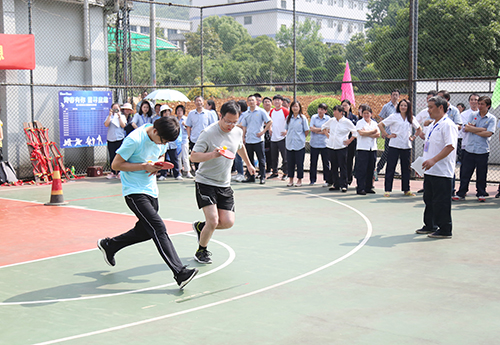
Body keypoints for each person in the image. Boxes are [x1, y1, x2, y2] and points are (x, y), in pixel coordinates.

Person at [97, 116, 198, 289]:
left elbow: (160, 152)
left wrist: (158, 164)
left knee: (145, 231)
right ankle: (179, 272)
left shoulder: (162, 137)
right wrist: (144, 166)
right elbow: (116, 164)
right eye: (163, 140)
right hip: (134, 192)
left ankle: (110, 245)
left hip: (151, 189)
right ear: (155, 131)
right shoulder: (134, 140)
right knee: (158, 227)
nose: (163, 144)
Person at [190, 101, 255, 264]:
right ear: (220, 116)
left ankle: (201, 227)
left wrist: (248, 164)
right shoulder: (208, 133)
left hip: (224, 184)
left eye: (234, 122)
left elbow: (240, 147)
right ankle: (201, 251)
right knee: (213, 220)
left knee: (227, 222)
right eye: (228, 121)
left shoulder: (237, 132)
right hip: (205, 182)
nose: (231, 125)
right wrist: (212, 155)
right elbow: (194, 156)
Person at [415, 96, 458, 239]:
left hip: (442, 171)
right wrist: (422, 164)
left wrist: (433, 160)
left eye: (431, 107)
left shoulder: (448, 125)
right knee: (429, 198)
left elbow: (450, 146)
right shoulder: (433, 124)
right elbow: (429, 147)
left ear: (441, 107)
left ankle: (445, 229)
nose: (428, 110)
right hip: (430, 170)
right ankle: (430, 224)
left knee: (441, 201)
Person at [453, 96, 496, 202]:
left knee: (481, 173)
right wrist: (481, 129)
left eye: (482, 104)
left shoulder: (492, 119)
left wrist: (474, 129)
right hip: (469, 149)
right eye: (479, 103)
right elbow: (466, 128)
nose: (479, 106)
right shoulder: (472, 115)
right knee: (465, 173)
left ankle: (481, 193)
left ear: (488, 106)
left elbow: (489, 133)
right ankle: (461, 193)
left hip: (482, 150)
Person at [378, 99, 422, 197]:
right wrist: (386, 134)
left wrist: (413, 137)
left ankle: (406, 189)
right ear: (399, 107)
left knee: (406, 168)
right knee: (391, 167)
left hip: (406, 146)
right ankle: (387, 190)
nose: (403, 107)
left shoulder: (411, 118)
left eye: (405, 105)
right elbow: (380, 124)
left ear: (408, 107)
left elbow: (419, 129)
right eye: (401, 105)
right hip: (394, 145)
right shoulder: (394, 116)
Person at [321, 105, 357, 192]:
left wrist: (349, 140)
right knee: (333, 166)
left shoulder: (347, 122)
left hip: (341, 147)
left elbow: (355, 132)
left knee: (343, 166)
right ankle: (335, 184)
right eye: (333, 111)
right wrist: (328, 135)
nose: (334, 113)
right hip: (331, 146)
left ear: (341, 113)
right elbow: (323, 127)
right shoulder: (332, 120)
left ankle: (344, 185)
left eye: (336, 111)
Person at [240, 95, 272, 184]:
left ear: (256, 102)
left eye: (252, 100)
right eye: (249, 100)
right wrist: (243, 137)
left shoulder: (261, 111)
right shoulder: (246, 113)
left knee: (261, 159)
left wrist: (263, 132)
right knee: (249, 160)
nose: (251, 102)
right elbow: (244, 126)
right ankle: (251, 176)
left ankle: (262, 176)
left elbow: (270, 121)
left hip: (259, 140)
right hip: (249, 139)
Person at [186, 96, 218, 172]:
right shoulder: (191, 113)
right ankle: (198, 172)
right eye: (197, 101)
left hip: (206, 140)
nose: (199, 103)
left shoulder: (209, 113)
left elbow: (213, 126)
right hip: (194, 139)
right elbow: (188, 126)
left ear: (203, 102)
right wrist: (189, 136)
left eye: (200, 101)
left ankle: (205, 173)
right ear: (194, 103)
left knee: (206, 157)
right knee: (196, 157)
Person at [284, 100, 309, 187]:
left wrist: (301, 138)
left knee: (299, 163)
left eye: (296, 106)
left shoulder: (302, 118)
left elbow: (306, 131)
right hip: (289, 144)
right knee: (290, 163)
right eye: (293, 106)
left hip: (299, 145)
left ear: (299, 108)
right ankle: (291, 179)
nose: (295, 108)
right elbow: (286, 129)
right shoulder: (288, 118)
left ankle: (299, 180)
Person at [355, 104, 380, 195]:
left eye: (368, 113)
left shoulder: (374, 123)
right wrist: (372, 132)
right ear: (362, 114)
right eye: (364, 113)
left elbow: (377, 134)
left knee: (371, 168)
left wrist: (368, 133)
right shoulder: (359, 123)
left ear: (371, 114)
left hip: (372, 149)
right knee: (362, 169)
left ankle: (368, 187)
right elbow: (361, 133)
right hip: (362, 148)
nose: (366, 115)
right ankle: (360, 187)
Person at [376, 89, 400, 179]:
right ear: (391, 96)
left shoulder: (400, 107)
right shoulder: (386, 106)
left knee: (395, 153)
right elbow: (381, 119)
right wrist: (383, 132)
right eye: (393, 95)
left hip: (397, 135)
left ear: (399, 96)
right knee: (386, 152)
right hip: (389, 134)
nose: (395, 97)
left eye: (396, 95)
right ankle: (378, 168)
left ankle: (392, 169)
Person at [157, 105, 183, 181]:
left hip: (172, 143)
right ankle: (163, 174)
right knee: (163, 159)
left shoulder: (173, 120)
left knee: (174, 159)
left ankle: (177, 174)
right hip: (163, 144)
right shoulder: (159, 121)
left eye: (168, 111)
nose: (166, 113)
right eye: (164, 112)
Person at [309, 103, 331, 186]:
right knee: (313, 163)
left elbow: (328, 130)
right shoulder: (314, 117)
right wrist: (323, 130)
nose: (320, 111)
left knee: (326, 163)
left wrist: (317, 130)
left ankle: (327, 180)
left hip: (325, 144)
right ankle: (312, 180)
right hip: (314, 143)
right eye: (319, 109)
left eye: (322, 109)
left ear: (325, 111)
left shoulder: (328, 118)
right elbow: (311, 128)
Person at [269, 95, 289, 180]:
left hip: (282, 137)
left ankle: (286, 173)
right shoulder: (272, 111)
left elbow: (290, 122)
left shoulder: (285, 111)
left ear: (282, 101)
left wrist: (286, 131)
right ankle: (275, 172)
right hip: (273, 137)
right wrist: (269, 129)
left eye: (278, 100)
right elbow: (269, 121)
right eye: (275, 100)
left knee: (285, 157)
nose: (276, 102)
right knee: (274, 156)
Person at [104, 102, 127, 179]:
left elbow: (123, 125)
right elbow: (106, 124)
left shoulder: (122, 116)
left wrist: (119, 116)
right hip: (111, 138)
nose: (115, 110)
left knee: (120, 156)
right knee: (112, 156)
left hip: (120, 138)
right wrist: (110, 115)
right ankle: (113, 172)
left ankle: (120, 172)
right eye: (114, 109)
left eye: (117, 108)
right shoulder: (109, 117)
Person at [457, 93, 479, 165]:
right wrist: (479, 129)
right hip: (466, 144)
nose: (473, 101)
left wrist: (471, 128)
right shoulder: (464, 114)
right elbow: (465, 128)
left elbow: (487, 130)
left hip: (480, 146)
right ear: (469, 101)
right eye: (471, 100)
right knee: (465, 169)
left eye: (475, 100)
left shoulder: (483, 114)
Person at [341, 99, 358, 185]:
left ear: (349, 106)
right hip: (341, 142)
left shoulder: (354, 118)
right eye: (342, 106)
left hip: (351, 142)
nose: (344, 107)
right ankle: (342, 179)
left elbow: (355, 131)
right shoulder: (339, 118)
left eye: (346, 105)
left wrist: (350, 140)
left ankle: (348, 178)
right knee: (342, 161)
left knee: (349, 160)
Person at [175, 105, 193, 178]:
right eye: (178, 110)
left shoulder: (186, 119)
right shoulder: (174, 119)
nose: (179, 112)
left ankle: (188, 171)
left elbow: (190, 129)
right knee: (178, 157)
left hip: (184, 139)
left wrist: (185, 125)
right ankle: (179, 171)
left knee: (185, 156)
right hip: (176, 140)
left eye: (181, 110)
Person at [262, 96, 273, 173]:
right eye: (265, 102)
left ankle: (270, 168)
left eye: (268, 102)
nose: (267, 103)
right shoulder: (261, 112)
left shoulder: (273, 112)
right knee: (265, 151)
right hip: (263, 132)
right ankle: (266, 168)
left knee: (271, 152)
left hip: (272, 133)